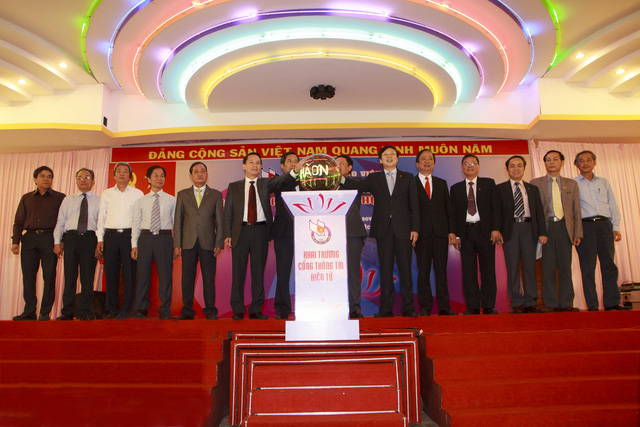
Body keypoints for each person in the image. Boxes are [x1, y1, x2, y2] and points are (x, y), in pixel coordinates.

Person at [342, 145, 420, 318]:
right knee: (385, 269)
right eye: (386, 154)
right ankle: (386, 308)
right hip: (383, 230)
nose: (389, 156)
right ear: (380, 160)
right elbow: (358, 185)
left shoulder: (408, 178)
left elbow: (414, 205)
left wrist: (415, 228)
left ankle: (408, 307)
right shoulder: (374, 177)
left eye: (392, 154)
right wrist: (340, 179)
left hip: (404, 229)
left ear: (397, 158)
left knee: (405, 269)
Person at [224, 152, 297, 320]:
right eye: (251, 162)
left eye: (258, 163)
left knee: (258, 273)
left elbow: (282, 180)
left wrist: (295, 171)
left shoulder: (266, 183)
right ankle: (238, 309)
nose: (255, 165)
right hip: (240, 232)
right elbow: (227, 211)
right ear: (244, 166)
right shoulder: (234, 186)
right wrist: (227, 233)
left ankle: (256, 309)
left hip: (261, 232)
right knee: (238, 273)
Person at [573, 150, 629, 311]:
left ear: (594, 162)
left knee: (609, 265)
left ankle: (612, 303)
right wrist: (576, 232)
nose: (585, 163)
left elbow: (613, 206)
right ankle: (592, 305)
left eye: (588, 160)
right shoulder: (573, 184)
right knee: (588, 268)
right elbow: (572, 211)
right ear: (576, 164)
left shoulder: (604, 182)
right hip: (585, 227)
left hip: (605, 226)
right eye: (581, 161)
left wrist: (615, 227)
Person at [11, 166, 65, 321]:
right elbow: (18, 221)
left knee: (49, 276)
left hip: (50, 239)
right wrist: (15, 241)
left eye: (49, 176)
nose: (46, 179)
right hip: (29, 239)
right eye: (42, 176)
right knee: (28, 277)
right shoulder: (26, 198)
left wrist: (61, 241)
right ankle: (29, 311)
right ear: (35, 179)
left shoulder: (60, 197)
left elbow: (64, 222)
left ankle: (44, 313)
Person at [531, 150, 582, 312]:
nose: (551, 162)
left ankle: (567, 303)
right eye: (548, 160)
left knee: (565, 267)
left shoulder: (571, 184)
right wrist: (538, 232)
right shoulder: (535, 183)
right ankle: (551, 303)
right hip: (545, 229)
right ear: (544, 163)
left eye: (555, 159)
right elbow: (534, 211)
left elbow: (576, 210)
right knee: (547, 268)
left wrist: (577, 233)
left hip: (564, 228)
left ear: (562, 162)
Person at [450, 154, 502, 315]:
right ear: (462, 167)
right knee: (468, 271)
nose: (469, 166)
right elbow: (453, 213)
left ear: (478, 166)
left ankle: (488, 305)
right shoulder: (456, 188)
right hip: (465, 233)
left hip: (485, 232)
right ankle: (472, 306)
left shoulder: (488, 183)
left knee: (488, 270)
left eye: (473, 163)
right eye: (466, 163)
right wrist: (455, 235)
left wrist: (495, 228)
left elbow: (496, 207)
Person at [173, 161, 224, 320]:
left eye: (203, 171)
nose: (200, 174)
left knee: (209, 278)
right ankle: (187, 311)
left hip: (208, 243)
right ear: (191, 175)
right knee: (187, 278)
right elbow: (178, 220)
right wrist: (177, 243)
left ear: (207, 174)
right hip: (187, 242)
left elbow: (220, 221)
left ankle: (210, 311)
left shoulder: (215, 194)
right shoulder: (182, 194)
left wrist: (219, 242)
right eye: (196, 171)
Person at [497, 156, 547, 314]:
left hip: (529, 228)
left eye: (519, 165)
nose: (516, 169)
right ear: (507, 169)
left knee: (529, 266)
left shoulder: (532, 189)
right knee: (512, 267)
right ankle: (516, 302)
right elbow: (496, 212)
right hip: (510, 230)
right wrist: (497, 230)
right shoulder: (500, 189)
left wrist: (542, 232)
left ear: (524, 168)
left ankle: (531, 301)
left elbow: (539, 212)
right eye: (512, 166)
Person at [96, 162, 143, 320]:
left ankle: (127, 309)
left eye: (125, 171)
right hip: (110, 236)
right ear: (114, 175)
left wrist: (136, 242)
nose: (122, 174)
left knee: (130, 275)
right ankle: (111, 309)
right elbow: (101, 217)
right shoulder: (107, 193)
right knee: (111, 274)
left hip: (130, 236)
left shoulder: (138, 193)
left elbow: (139, 219)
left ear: (130, 176)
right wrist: (100, 238)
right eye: (119, 171)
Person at [413, 149, 457, 316]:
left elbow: (448, 209)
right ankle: (425, 307)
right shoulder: (411, 183)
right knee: (423, 271)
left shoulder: (441, 183)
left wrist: (451, 231)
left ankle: (444, 307)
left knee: (441, 271)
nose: (427, 161)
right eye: (423, 159)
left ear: (434, 163)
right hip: (421, 234)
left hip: (440, 233)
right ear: (417, 164)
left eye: (430, 159)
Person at [53, 168, 100, 321]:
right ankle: (67, 311)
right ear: (76, 181)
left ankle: (85, 312)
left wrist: (100, 243)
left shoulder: (100, 200)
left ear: (93, 181)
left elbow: (102, 224)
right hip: (71, 239)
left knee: (87, 278)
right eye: (80, 177)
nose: (83, 180)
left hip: (90, 239)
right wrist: (57, 242)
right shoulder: (68, 200)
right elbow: (61, 221)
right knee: (70, 277)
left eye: (87, 177)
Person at [131, 166, 177, 320]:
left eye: (162, 175)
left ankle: (164, 309)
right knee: (143, 275)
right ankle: (141, 309)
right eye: (155, 175)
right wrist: (134, 245)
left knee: (165, 276)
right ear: (149, 179)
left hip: (164, 238)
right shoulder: (141, 201)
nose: (159, 178)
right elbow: (135, 223)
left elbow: (176, 224)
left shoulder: (172, 200)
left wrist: (176, 245)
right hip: (145, 238)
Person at [336, 155, 367, 319]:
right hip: (330, 234)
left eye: (341, 163)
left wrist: (340, 179)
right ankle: (334, 306)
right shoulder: (326, 185)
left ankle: (355, 308)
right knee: (332, 271)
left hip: (352, 233)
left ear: (349, 168)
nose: (337, 166)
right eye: (335, 164)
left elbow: (359, 187)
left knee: (353, 272)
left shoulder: (355, 182)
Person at [271, 151, 299, 320]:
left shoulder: (307, 182)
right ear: (282, 166)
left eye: (296, 161)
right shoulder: (279, 181)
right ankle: (282, 308)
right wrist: (293, 173)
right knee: (283, 271)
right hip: (283, 232)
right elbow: (277, 184)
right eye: (290, 161)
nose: (293, 163)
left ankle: (309, 305)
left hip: (307, 232)